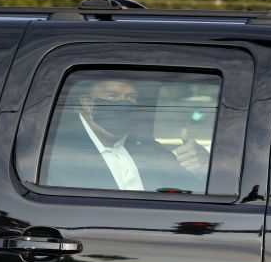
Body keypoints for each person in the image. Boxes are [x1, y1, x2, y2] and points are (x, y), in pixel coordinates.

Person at [40, 77, 210, 193]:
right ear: (87, 103)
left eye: (130, 98)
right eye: (112, 97)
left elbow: (190, 192)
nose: (124, 104)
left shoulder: (149, 149)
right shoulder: (53, 154)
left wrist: (202, 165)